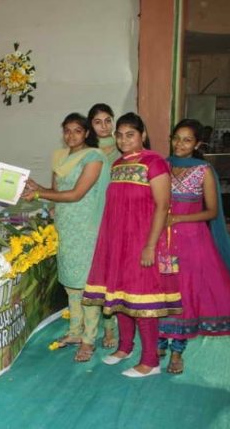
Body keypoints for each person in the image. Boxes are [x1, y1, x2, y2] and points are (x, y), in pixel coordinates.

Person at [157, 119, 230, 374]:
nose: (180, 144)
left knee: (185, 292)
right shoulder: (162, 166)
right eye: (176, 138)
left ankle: (177, 352)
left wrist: (178, 218)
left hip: (192, 241)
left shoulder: (203, 170)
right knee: (161, 289)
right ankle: (158, 341)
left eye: (187, 140)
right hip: (163, 240)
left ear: (197, 144)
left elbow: (212, 211)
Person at [82, 112, 181, 378]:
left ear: (143, 135)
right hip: (118, 242)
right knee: (121, 296)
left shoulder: (154, 162)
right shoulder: (116, 165)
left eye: (130, 135)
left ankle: (150, 362)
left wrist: (150, 246)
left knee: (143, 300)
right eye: (120, 135)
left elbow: (162, 206)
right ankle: (125, 347)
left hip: (143, 241)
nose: (124, 140)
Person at [23, 113, 110, 362]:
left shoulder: (94, 157)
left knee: (87, 286)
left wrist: (39, 195)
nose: (71, 135)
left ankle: (89, 340)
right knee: (71, 284)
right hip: (66, 226)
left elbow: (76, 194)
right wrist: (36, 187)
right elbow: (56, 191)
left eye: (77, 130)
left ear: (86, 133)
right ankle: (74, 333)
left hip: (86, 228)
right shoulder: (60, 158)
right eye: (67, 130)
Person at [87, 103, 120, 348]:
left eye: (108, 120)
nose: (104, 126)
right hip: (90, 217)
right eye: (98, 122)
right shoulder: (86, 151)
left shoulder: (123, 148)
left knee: (111, 274)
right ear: (91, 125)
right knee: (93, 272)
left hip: (117, 216)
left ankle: (110, 328)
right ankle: (88, 325)